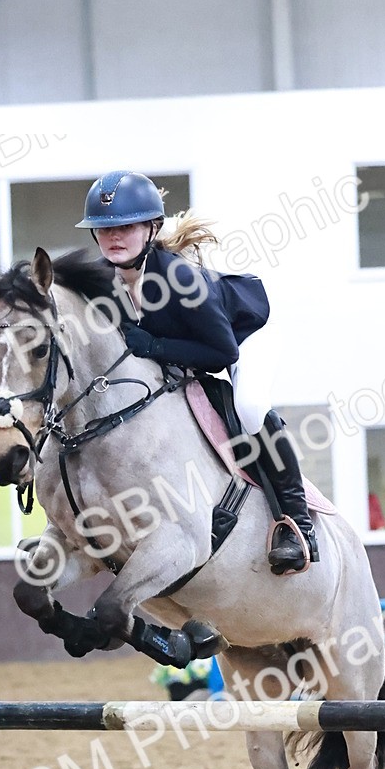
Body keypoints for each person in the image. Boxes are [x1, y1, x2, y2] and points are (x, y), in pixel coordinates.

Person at [76, 169, 318, 574]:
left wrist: (153, 346)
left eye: (126, 226)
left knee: (251, 407)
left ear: (151, 228)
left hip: (244, 336)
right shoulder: (103, 280)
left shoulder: (179, 276)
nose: (113, 237)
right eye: (104, 229)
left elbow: (220, 352)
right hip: (191, 347)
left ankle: (298, 526)